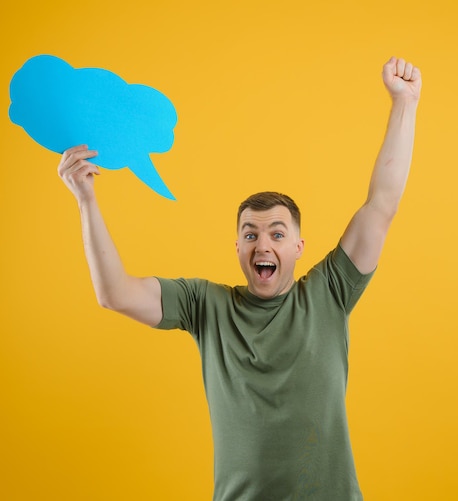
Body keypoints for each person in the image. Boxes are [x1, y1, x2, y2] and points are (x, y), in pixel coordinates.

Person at [58, 56, 421, 501]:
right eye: (250, 234)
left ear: (297, 248)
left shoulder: (329, 291)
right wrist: (86, 200)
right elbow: (114, 294)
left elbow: (382, 204)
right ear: (237, 248)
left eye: (277, 233)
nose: (262, 244)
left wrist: (405, 102)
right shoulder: (204, 305)